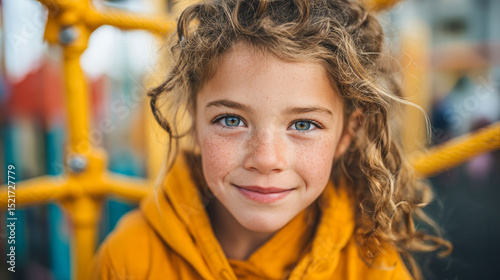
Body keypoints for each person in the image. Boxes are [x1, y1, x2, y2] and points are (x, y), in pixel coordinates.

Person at [89, 0, 451, 279]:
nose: (266, 159)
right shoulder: (128, 259)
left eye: (304, 125)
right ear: (194, 123)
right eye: (231, 120)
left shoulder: (372, 266)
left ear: (346, 134)